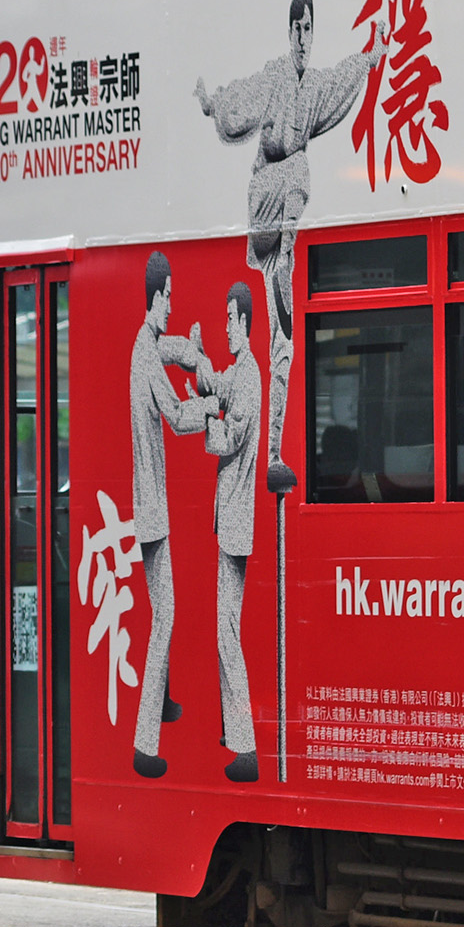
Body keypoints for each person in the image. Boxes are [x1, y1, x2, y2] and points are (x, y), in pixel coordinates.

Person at [195, 0, 375, 493]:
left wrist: (370, 56)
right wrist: (214, 105)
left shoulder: (314, 84)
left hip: (287, 209)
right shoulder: (275, 77)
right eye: (297, 28)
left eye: (310, 29)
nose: (303, 39)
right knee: (297, 169)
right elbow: (239, 102)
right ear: (288, 31)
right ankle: (283, 257)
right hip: (267, 195)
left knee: (285, 344)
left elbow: (343, 76)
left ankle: (274, 450)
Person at [126, 254, 214, 778]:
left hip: (148, 502)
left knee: (166, 607)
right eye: (170, 297)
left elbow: (171, 347)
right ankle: (144, 742)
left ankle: (160, 702)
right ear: (157, 298)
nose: (174, 304)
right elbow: (179, 420)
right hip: (152, 508)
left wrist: (193, 351)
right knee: (166, 616)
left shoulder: (147, 343)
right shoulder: (144, 357)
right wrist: (206, 405)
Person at [188, 280, 266, 783]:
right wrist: (196, 360)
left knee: (226, 632)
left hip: (237, 522)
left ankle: (244, 744)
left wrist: (198, 420)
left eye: (230, 321)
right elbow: (215, 384)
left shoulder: (253, 376)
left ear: (244, 323)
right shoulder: (240, 372)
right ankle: (231, 729)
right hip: (231, 520)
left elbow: (231, 436)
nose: (226, 328)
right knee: (225, 628)